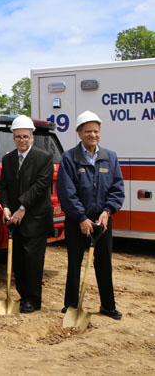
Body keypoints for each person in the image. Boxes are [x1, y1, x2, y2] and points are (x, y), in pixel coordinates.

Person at [57, 111, 125, 320]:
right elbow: (67, 192)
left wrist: (107, 212)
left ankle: (108, 305)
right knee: (75, 264)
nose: (92, 135)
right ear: (79, 133)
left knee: (104, 263)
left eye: (96, 131)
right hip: (77, 221)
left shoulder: (110, 157)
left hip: (102, 220)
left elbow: (116, 188)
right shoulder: (69, 158)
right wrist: (81, 218)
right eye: (88, 131)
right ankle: (71, 306)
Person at [0, 115, 53, 313]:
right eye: (18, 137)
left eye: (25, 137)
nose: (22, 140)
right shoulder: (8, 158)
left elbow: (40, 187)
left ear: (32, 136)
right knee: (18, 261)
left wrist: (22, 208)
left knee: (33, 261)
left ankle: (33, 299)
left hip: (35, 218)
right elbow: (3, 186)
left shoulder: (43, 157)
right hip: (14, 219)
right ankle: (23, 296)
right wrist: (5, 206)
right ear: (13, 137)